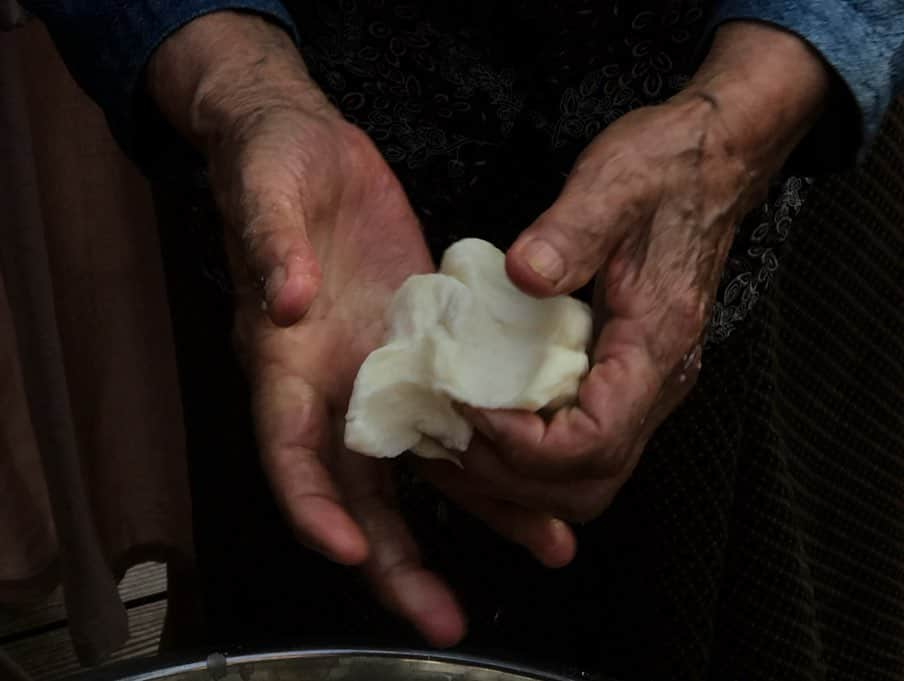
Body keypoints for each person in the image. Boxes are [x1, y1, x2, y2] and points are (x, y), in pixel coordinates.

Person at [18, 1, 904, 679]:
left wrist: (761, 91)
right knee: (321, 595)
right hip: (297, 242)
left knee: (744, 608)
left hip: (754, 173)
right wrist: (231, 79)